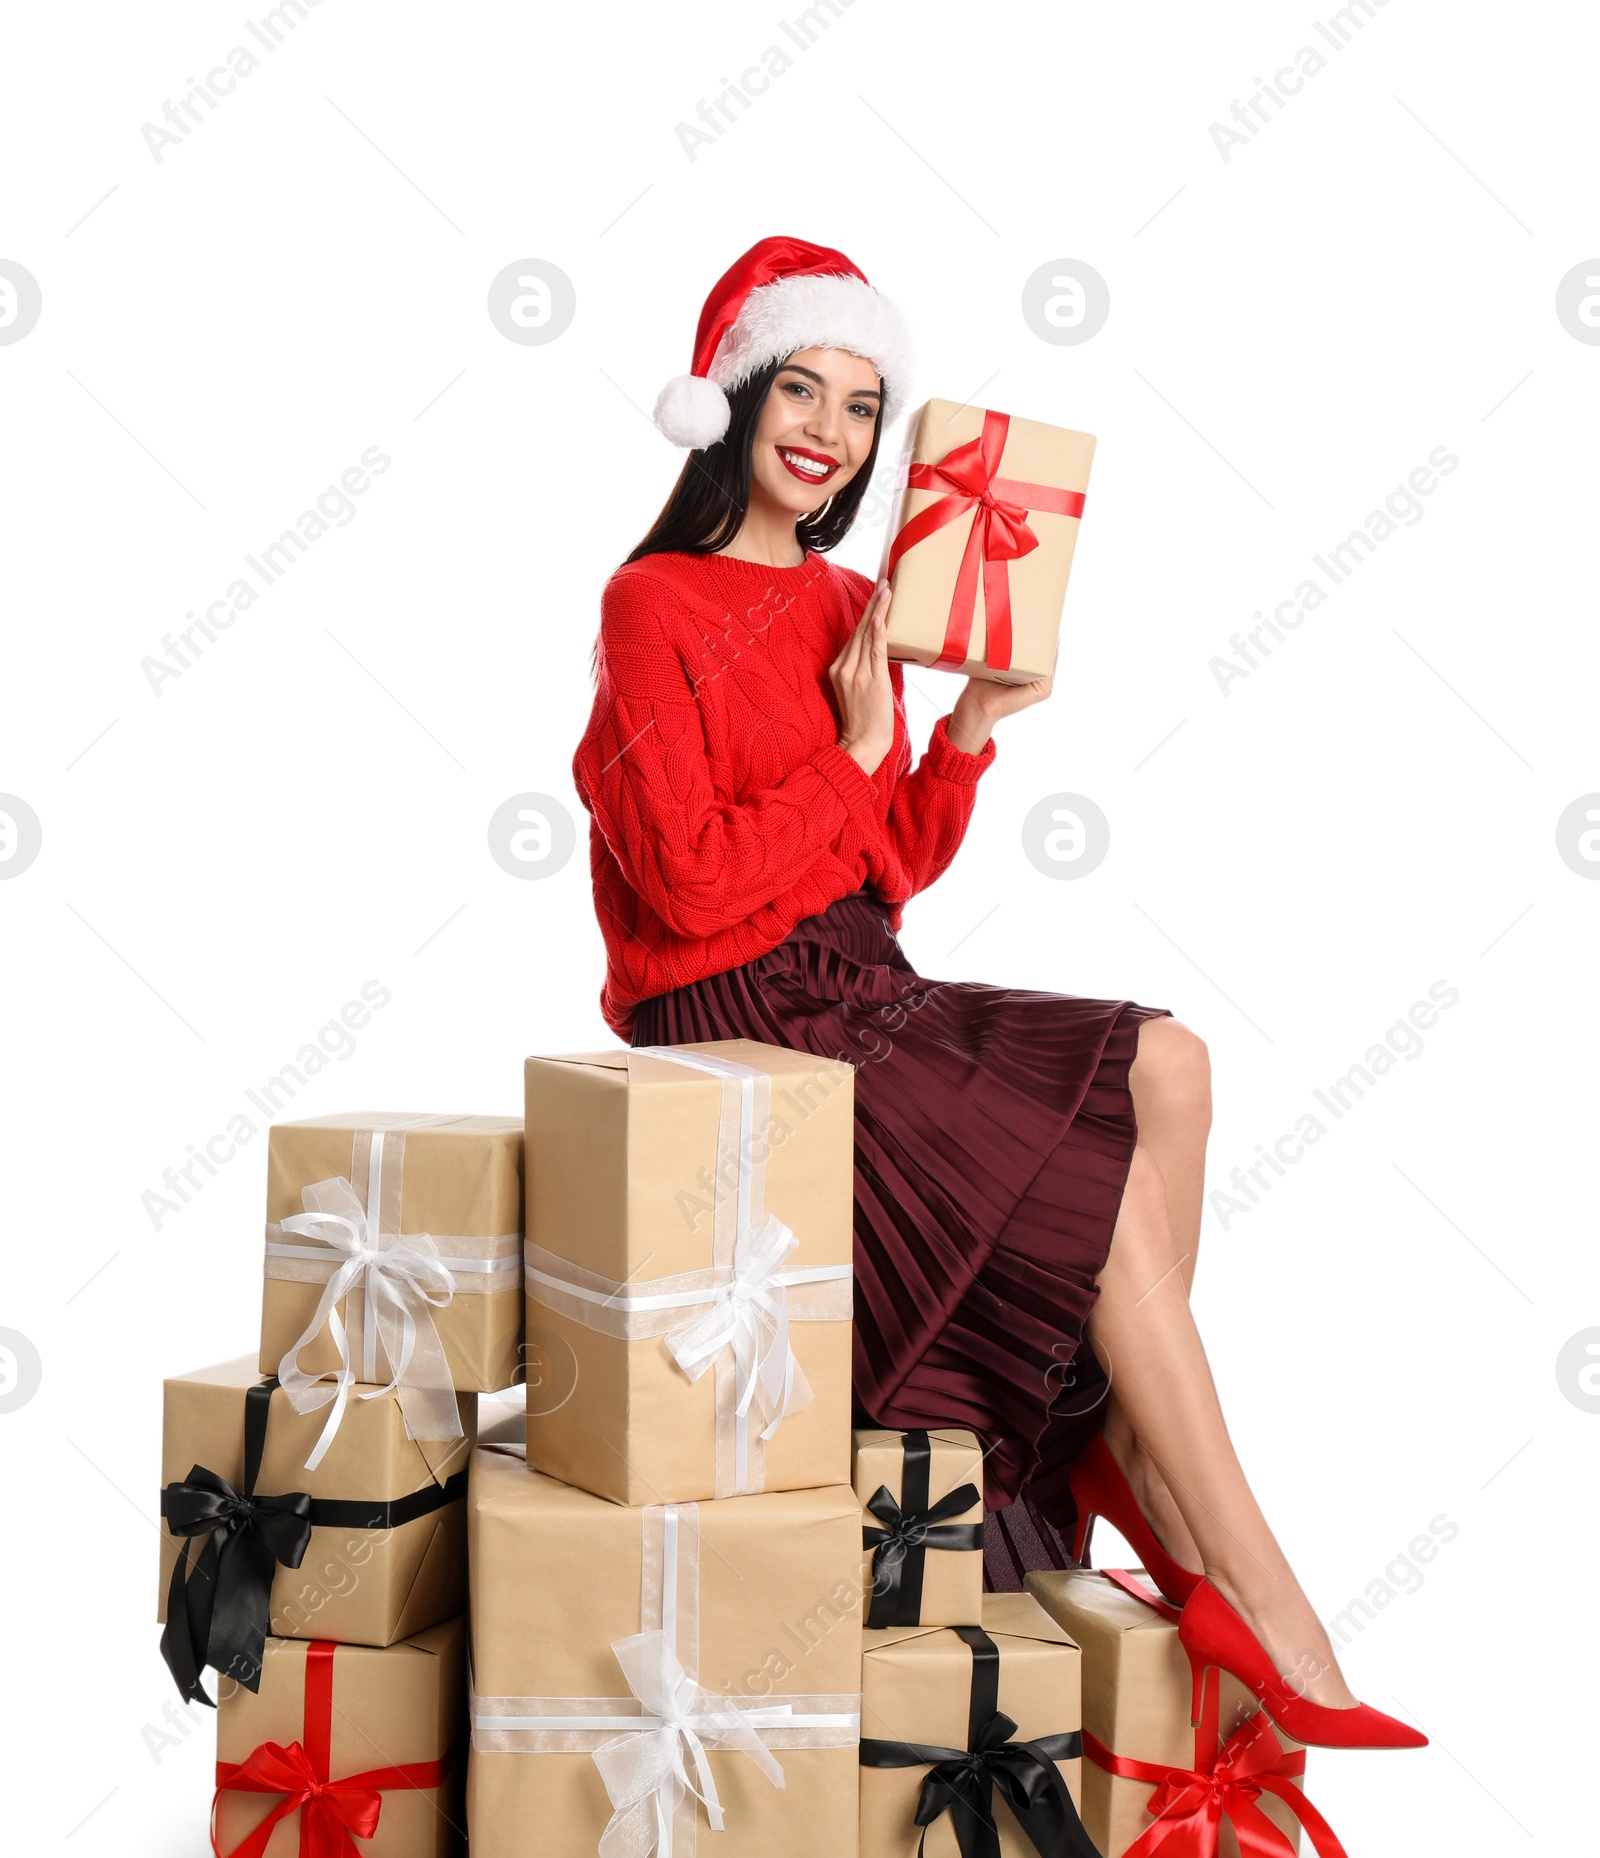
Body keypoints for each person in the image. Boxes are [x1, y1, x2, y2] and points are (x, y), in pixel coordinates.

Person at [573, 237, 1423, 1751]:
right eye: (803, 388)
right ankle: (1267, 1602)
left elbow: (884, 867)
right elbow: (690, 889)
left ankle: (1106, 1440)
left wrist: (962, 720)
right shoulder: (655, 604)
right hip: (738, 1011)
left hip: (857, 976)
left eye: (862, 402)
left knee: (1173, 1064)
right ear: (738, 399)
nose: (830, 429)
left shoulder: (853, 605)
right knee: (1089, 1194)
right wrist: (843, 760)